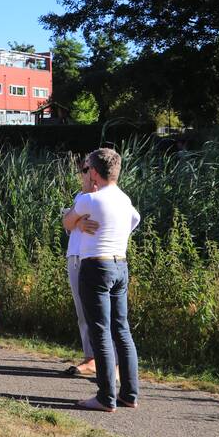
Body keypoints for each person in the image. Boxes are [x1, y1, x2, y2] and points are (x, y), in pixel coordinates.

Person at [64, 147, 141, 412]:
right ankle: (129, 394)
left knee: (100, 331)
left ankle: (105, 397)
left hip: (95, 266)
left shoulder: (90, 199)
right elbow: (135, 219)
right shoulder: (124, 199)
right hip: (120, 263)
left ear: (94, 172)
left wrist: (87, 188)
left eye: (88, 170)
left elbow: (67, 221)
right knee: (122, 329)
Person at [62, 178, 97, 376]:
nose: (83, 175)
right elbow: (67, 222)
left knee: (101, 312)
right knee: (82, 312)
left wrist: (75, 221)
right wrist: (76, 221)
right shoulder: (81, 196)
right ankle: (90, 356)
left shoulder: (105, 198)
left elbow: (133, 219)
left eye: (86, 169)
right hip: (75, 256)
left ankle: (108, 360)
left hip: (94, 257)